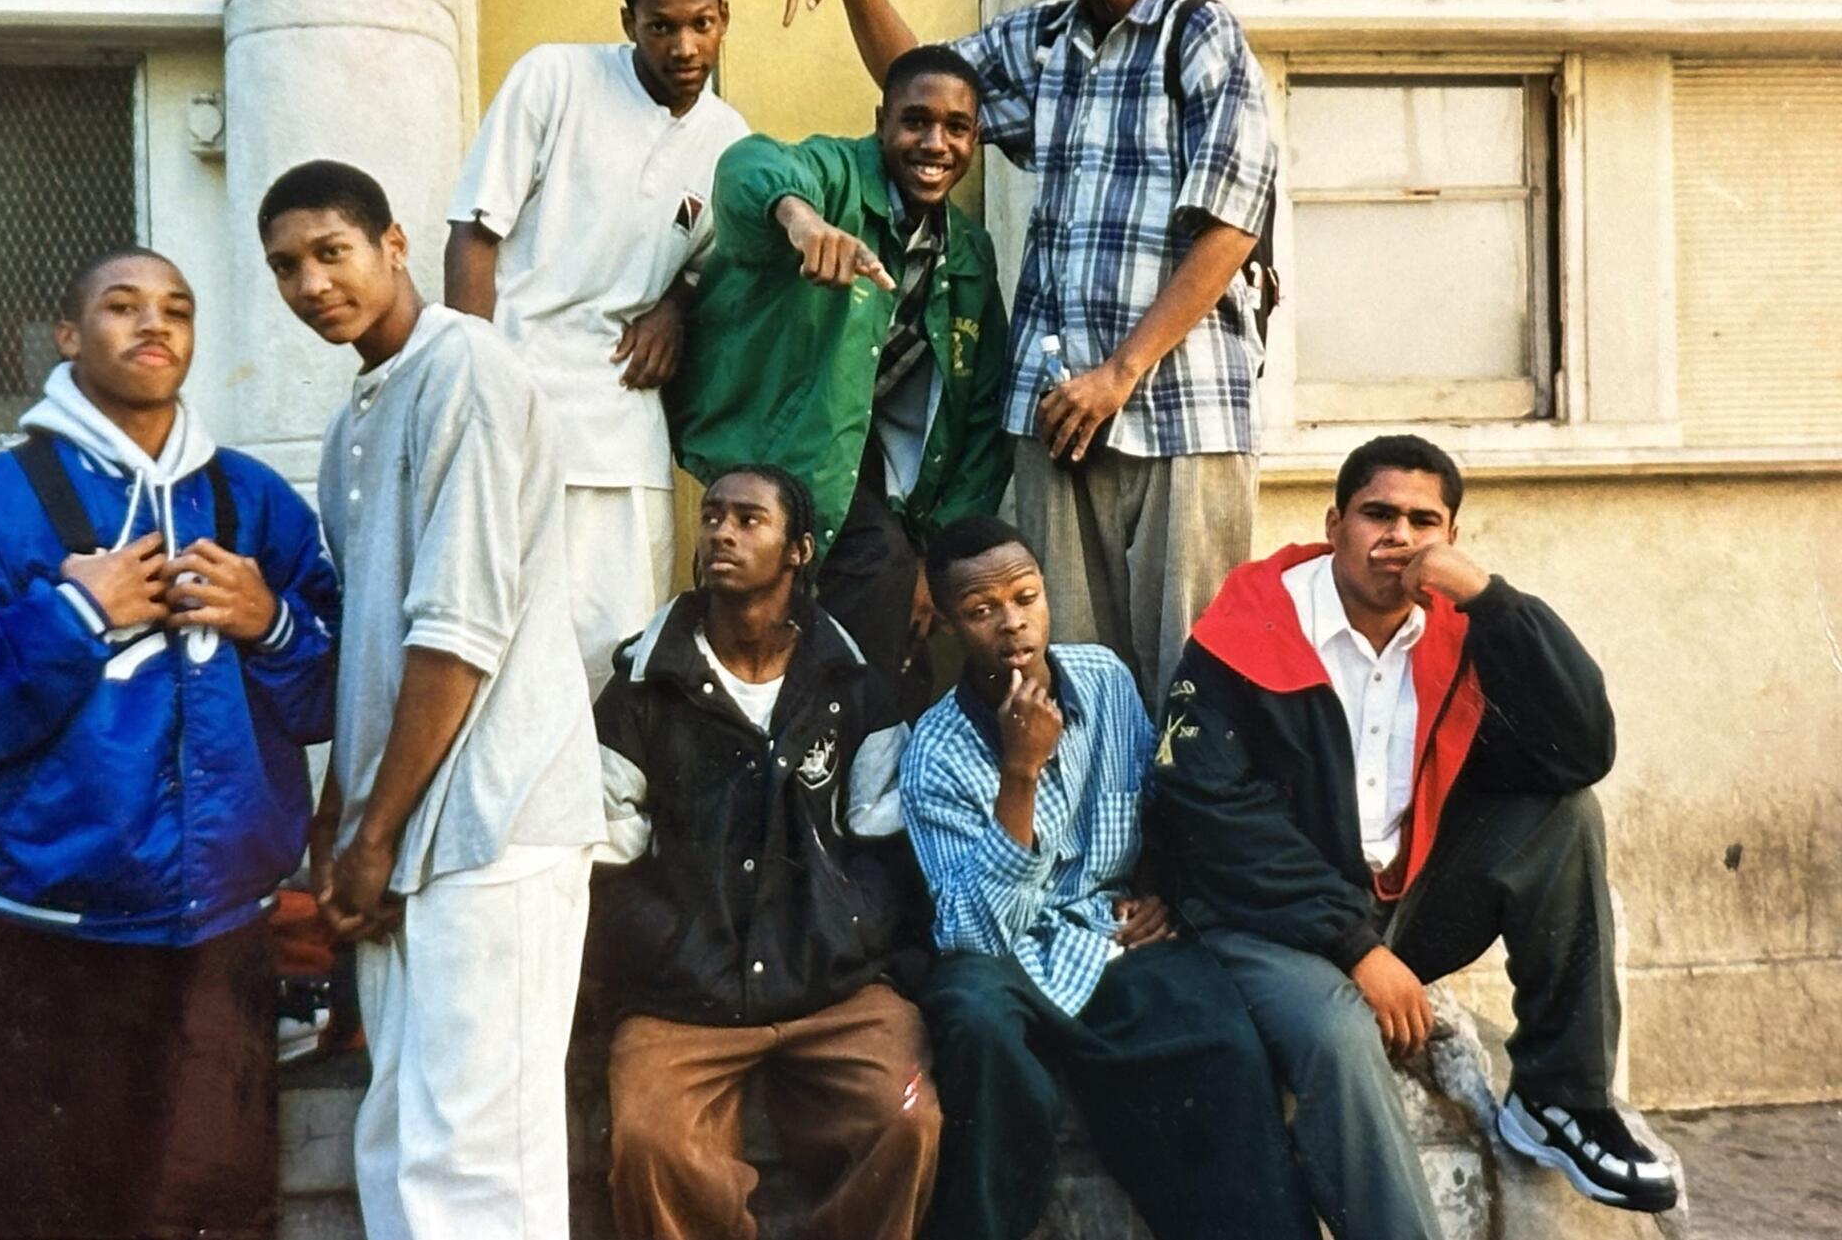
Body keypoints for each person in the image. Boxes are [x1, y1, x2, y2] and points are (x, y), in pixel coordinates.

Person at [0, 247, 339, 1240]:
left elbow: (335, 697)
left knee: (216, 1216)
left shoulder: (252, 505)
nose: (152, 323)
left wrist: (274, 624)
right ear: (69, 337)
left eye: (175, 307)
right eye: (121, 307)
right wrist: (73, 618)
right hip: (51, 946)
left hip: (225, 944)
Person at [761, 0, 1279, 706]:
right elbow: (923, 81)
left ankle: (1187, 844)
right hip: (1057, 414)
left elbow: (1229, 226)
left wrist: (1120, 373)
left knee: (1191, 671)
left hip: (1179, 402)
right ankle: (1095, 841)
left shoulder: (1199, 30)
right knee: (1065, 665)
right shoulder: (1045, 41)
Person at [1143, 434, 1679, 1237]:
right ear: (1335, 523)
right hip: (1263, 920)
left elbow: (1584, 749)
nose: (1397, 536)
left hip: (1395, 898)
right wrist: (1358, 948)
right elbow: (1214, 816)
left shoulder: (1458, 631)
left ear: (1449, 540)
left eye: (1422, 520)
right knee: (1339, 1035)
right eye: (1377, 513)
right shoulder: (1250, 624)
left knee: (1565, 817)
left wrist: (1495, 601)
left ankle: (1559, 1099)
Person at [261, 160, 604, 1240]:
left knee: (477, 1162)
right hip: (405, 832)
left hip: (494, 824)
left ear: (394, 245)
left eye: (332, 252)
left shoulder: (467, 370)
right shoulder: (353, 418)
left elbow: (456, 638)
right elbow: (371, 649)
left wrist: (375, 833)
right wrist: (348, 828)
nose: (312, 283)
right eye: (285, 267)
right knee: (402, 1139)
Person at [899, 515, 1314, 1240]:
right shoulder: (934, 750)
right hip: (1009, 953)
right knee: (972, 1017)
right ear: (948, 626)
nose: (1012, 624)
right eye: (981, 609)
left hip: (1115, 931)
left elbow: (1163, 802)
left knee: (1221, 1036)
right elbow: (972, 932)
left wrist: (1166, 891)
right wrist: (1020, 773)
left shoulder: (1104, 678)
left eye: (1025, 597)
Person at [588, 464, 939, 1239]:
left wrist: (841, 933)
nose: (721, 532)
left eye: (750, 520)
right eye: (712, 516)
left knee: (903, 1117)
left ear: (799, 550)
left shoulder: (849, 685)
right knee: (651, 1143)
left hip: (831, 984)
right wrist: (677, 949)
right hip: (683, 991)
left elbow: (885, 848)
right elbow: (605, 858)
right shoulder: (646, 687)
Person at [445, 0, 751, 694]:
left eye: (701, 23)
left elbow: (716, 271)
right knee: (508, 637)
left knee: (622, 645)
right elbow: (474, 233)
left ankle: (611, 815)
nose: (684, 45)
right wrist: (471, 377)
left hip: (623, 419)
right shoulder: (555, 78)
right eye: (661, 26)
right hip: (521, 396)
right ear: (628, 20)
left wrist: (677, 303)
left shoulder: (730, 140)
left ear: (724, 18)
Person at [665, 45, 1011, 713]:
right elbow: (748, 167)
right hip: (776, 457)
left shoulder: (967, 253)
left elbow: (977, 424)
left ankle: (859, 792)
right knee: (744, 659)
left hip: (874, 487)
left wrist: (931, 564)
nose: (934, 144)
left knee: (880, 645)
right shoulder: (836, 177)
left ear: (977, 134)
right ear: (882, 121)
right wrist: (801, 220)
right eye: (915, 122)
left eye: (957, 127)